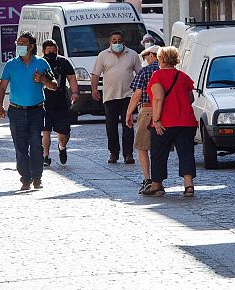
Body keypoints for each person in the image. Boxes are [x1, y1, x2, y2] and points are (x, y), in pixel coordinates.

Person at [0, 32, 57, 191]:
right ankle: (25, 178)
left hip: (36, 111)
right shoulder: (11, 64)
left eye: (23, 43)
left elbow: (54, 84)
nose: (19, 46)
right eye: (18, 43)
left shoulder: (42, 63)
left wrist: (42, 80)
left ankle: (37, 177)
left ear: (31, 46)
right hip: (16, 111)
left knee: (36, 144)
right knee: (20, 147)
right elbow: (2, 86)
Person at [142, 47, 198, 197]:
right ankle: (188, 185)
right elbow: (190, 98)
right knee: (186, 153)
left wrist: (157, 120)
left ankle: (157, 185)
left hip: (165, 122)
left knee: (159, 153)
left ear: (161, 59)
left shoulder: (157, 76)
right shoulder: (184, 76)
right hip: (186, 121)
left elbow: (159, 99)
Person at [91, 31, 142, 164]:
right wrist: (94, 89)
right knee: (111, 126)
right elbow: (96, 74)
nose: (117, 43)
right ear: (110, 42)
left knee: (128, 125)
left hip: (128, 95)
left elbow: (139, 73)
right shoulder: (103, 55)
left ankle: (128, 154)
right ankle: (113, 153)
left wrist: (140, 91)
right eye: (114, 40)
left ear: (123, 41)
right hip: (110, 96)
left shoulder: (132, 55)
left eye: (119, 40)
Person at [125, 45, 160, 193]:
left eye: (146, 57)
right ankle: (158, 180)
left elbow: (137, 94)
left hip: (147, 110)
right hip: (164, 112)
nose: (145, 60)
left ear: (152, 55)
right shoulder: (169, 71)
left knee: (142, 146)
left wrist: (128, 113)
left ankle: (147, 179)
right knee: (159, 148)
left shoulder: (145, 71)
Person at [40, 39, 79, 166]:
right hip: (43, 101)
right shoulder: (39, 63)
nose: (51, 53)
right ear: (43, 51)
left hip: (61, 101)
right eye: (48, 51)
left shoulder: (63, 62)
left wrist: (75, 93)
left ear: (57, 50)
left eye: (54, 50)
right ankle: (46, 156)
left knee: (63, 133)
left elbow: (72, 78)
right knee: (45, 130)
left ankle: (62, 147)